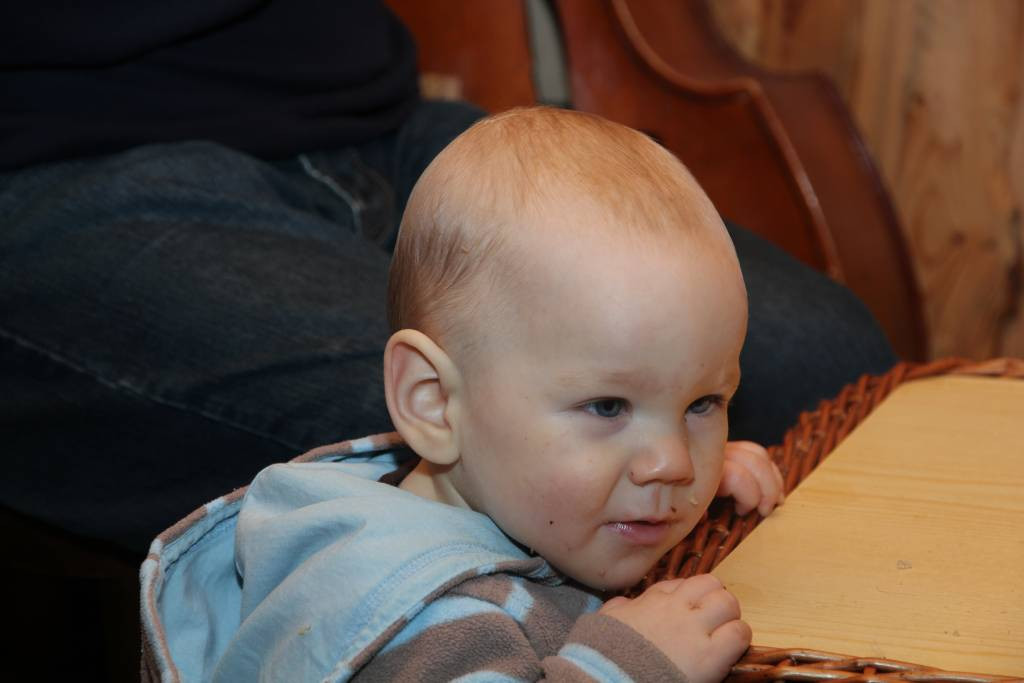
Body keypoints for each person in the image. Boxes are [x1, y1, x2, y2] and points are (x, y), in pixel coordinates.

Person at [166, 107, 786, 682]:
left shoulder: (509, 493)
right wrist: (630, 668)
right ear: (435, 403)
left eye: (701, 404)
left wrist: (701, 476)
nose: (673, 463)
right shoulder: (421, 622)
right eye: (608, 407)